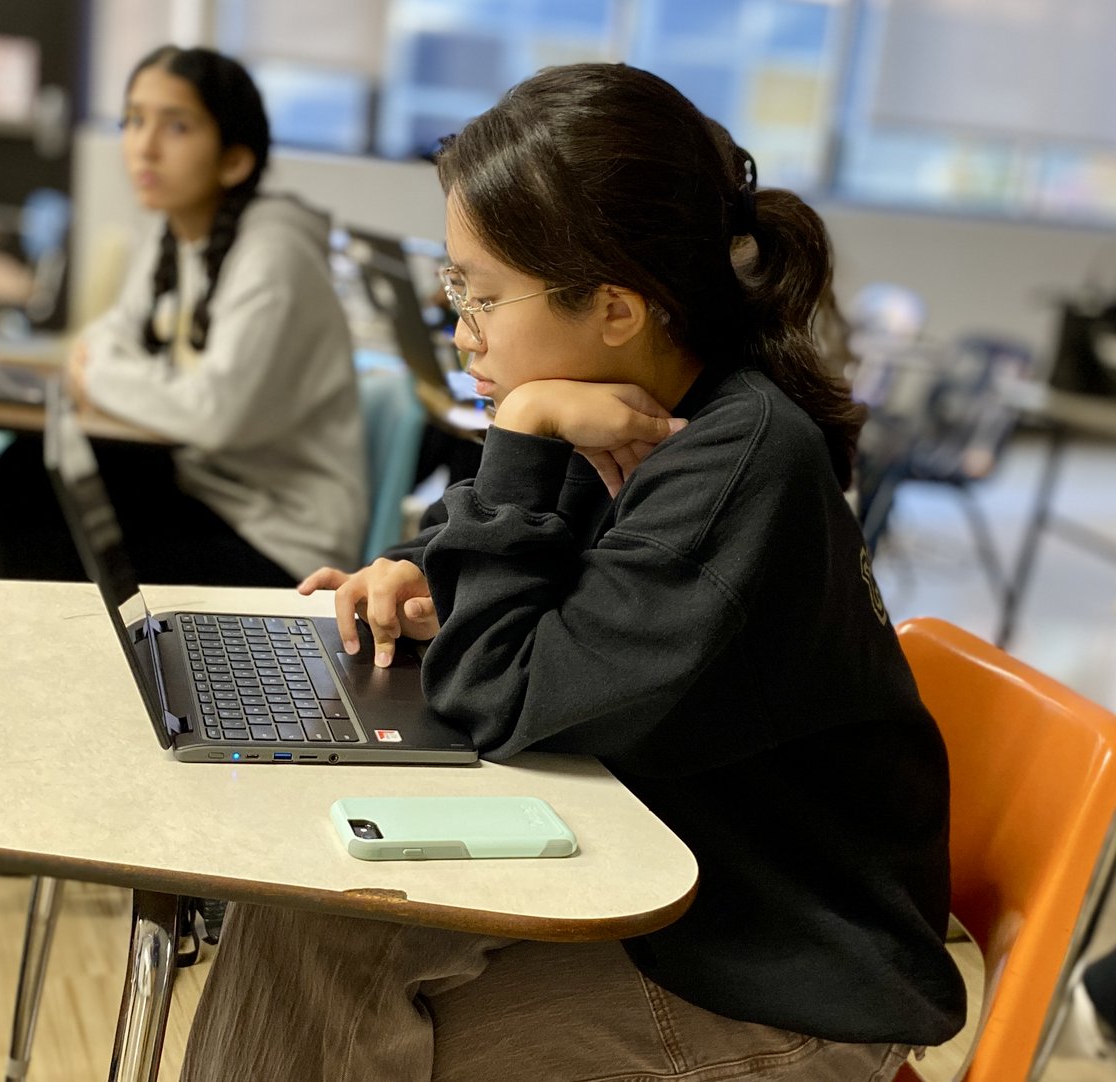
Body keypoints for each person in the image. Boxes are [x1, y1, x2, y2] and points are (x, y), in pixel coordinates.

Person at [179, 62, 967, 1082]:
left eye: (482, 293)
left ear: (615, 307)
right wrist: (416, 572)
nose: (460, 325)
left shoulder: (738, 459)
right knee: (322, 921)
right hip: (673, 892)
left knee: (339, 963)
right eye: (453, 283)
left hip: (788, 978)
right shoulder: (626, 399)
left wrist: (519, 424)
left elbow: (505, 693)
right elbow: (539, 573)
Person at [0, 45, 367, 586]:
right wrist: (108, 370)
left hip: (279, 543)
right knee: (26, 471)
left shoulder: (274, 253)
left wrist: (97, 376)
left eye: (177, 127)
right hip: (198, 488)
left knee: (44, 516)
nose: (144, 146)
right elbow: (101, 340)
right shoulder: (174, 232)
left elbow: (213, 413)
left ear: (234, 159)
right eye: (134, 120)